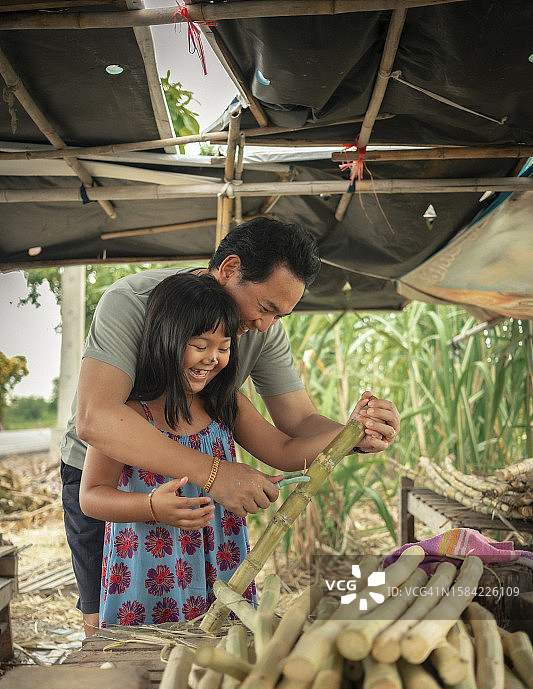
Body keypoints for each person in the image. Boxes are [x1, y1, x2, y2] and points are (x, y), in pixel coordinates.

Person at [60, 217, 400, 635]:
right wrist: (214, 475)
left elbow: (295, 429)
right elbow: (98, 420)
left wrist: (355, 433)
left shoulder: (235, 375)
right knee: (107, 634)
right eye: (266, 308)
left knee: (213, 631)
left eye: (281, 315)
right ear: (229, 269)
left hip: (206, 532)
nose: (265, 326)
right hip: (113, 488)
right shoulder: (134, 300)